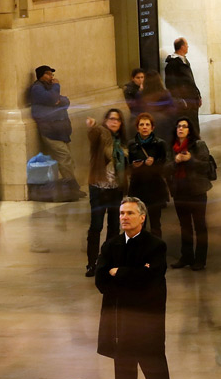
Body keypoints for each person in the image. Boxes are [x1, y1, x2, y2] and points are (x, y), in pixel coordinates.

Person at [95, 197, 174, 379]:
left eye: (129, 213)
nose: (124, 217)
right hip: (120, 327)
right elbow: (101, 280)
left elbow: (150, 279)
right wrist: (131, 276)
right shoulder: (111, 245)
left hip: (147, 327)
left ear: (142, 217)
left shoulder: (156, 246)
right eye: (121, 213)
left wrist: (119, 273)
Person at [84, 109, 129, 277]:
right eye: (111, 119)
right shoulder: (100, 137)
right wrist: (92, 126)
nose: (114, 122)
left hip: (115, 189)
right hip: (98, 187)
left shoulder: (122, 143)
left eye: (117, 119)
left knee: (114, 226)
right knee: (96, 226)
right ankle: (92, 263)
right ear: (105, 121)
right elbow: (94, 134)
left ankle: (109, 261)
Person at [26, 65, 80, 198]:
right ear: (41, 76)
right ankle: (72, 188)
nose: (52, 77)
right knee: (65, 158)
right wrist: (56, 88)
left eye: (52, 74)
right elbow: (52, 99)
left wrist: (58, 99)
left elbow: (65, 101)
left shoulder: (49, 89)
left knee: (68, 159)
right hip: (51, 132)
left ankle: (71, 187)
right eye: (48, 74)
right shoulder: (37, 88)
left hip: (60, 132)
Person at [168, 117, 213, 270]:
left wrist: (190, 159)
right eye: (179, 126)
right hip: (179, 192)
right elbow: (165, 169)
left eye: (184, 126)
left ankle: (200, 259)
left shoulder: (199, 145)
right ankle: (186, 256)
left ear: (190, 130)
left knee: (200, 226)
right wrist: (176, 162)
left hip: (196, 192)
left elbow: (206, 166)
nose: (181, 129)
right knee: (185, 226)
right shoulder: (172, 148)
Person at [127, 113, 171, 238]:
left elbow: (166, 164)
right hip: (137, 188)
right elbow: (126, 165)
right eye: (141, 125)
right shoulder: (131, 144)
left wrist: (154, 163)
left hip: (155, 188)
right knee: (138, 224)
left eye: (147, 124)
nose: (144, 127)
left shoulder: (160, 144)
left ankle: (156, 248)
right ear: (137, 128)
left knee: (155, 224)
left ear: (152, 127)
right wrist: (133, 166)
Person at [164, 38, 202, 134]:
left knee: (194, 124)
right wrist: (180, 100)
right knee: (186, 125)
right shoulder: (172, 63)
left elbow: (191, 80)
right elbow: (171, 84)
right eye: (186, 45)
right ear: (182, 47)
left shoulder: (185, 61)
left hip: (192, 99)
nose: (188, 47)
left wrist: (198, 95)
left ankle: (196, 140)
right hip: (184, 101)